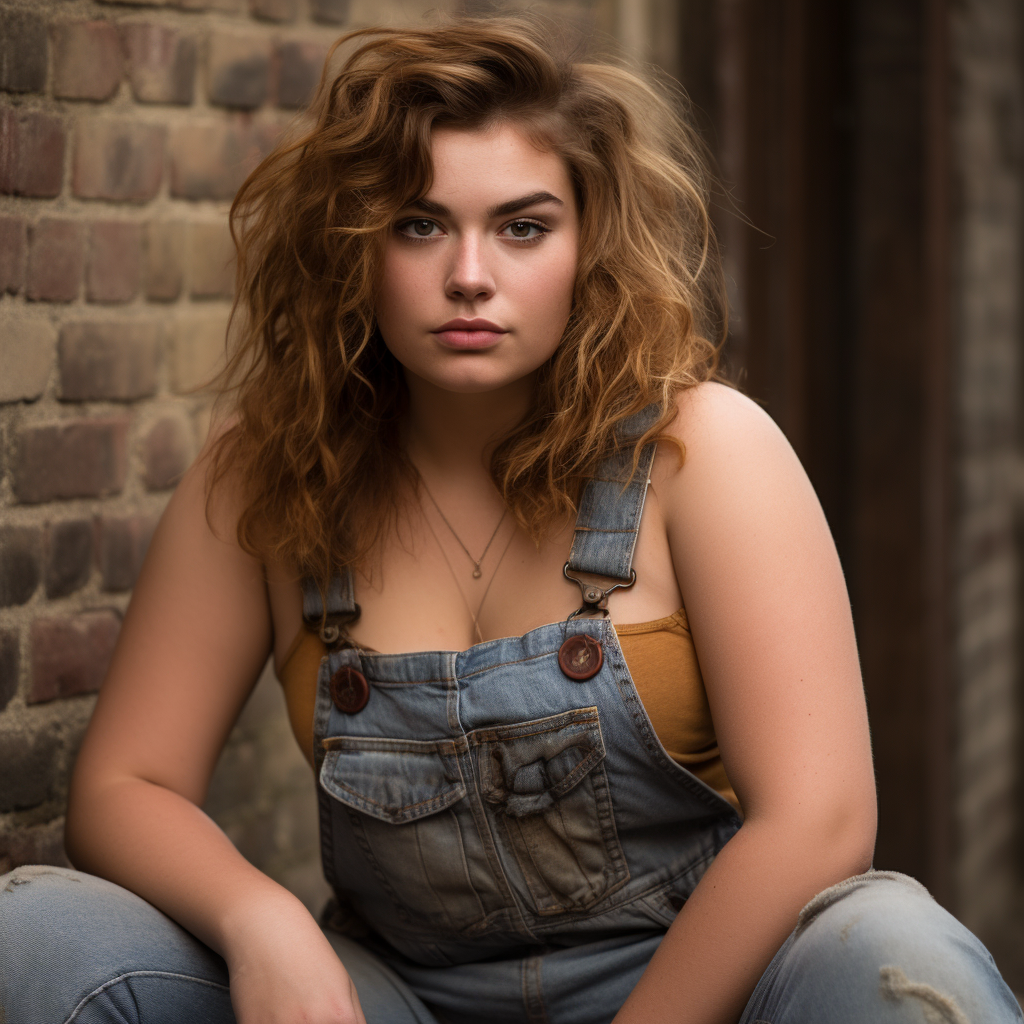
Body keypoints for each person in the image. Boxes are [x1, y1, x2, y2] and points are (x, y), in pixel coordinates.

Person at [0, 15, 1020, 1024]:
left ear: (587, 243)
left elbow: (820, 819)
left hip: (704, 988)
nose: (469, 275)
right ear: (354, 245)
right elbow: (123, 784)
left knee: (892, 948)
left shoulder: (701, 452)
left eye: (522, 227)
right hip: (397, 996)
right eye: (418, 224)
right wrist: (259, 918)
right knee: (40, 933)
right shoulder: (267, 479)